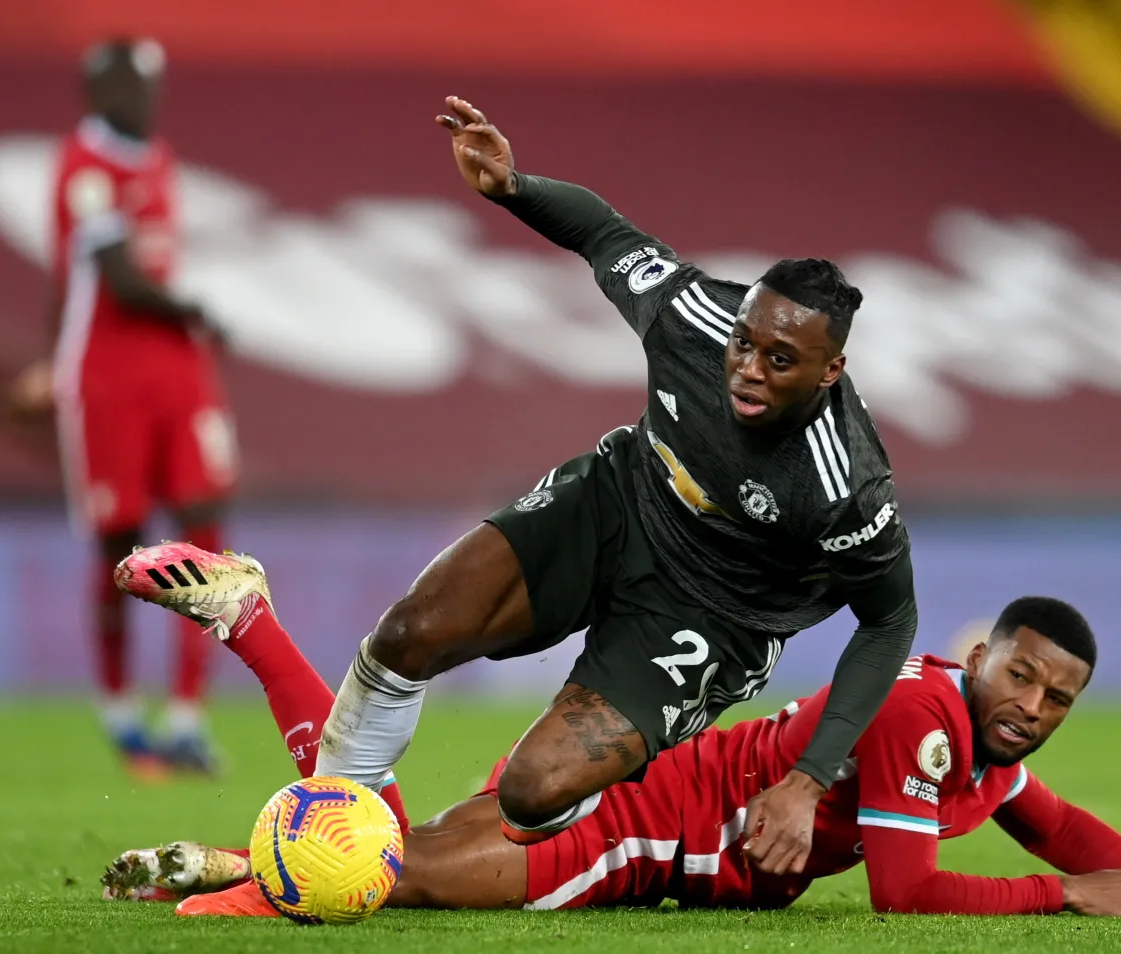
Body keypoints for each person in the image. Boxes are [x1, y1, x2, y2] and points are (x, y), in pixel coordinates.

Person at [115, 94, 917, 869]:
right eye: (745, 342)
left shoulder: (845, 484)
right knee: (408, 634)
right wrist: (512, 186)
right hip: (619, 506)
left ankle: (470, 839)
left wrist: (809, 779)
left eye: (780, 360)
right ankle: (333, 841)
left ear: (831, 370)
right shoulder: (695, 319)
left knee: (533, 793)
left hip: (714, 612)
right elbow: (604, 234)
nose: (747, 368)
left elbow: (889, 619)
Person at [101, 585, 1121, 919]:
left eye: (1057, 697)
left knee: (392, 850)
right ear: (981, 657)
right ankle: (252, 640)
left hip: (641, 793)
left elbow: (1055, 821)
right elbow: (905, 889)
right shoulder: (922, 720)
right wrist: (1062, 896)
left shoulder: (979, 744)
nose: (1031, 703)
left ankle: (228, 853)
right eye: (1019, 674)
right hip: (639, 827)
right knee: (393, 874)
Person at [9, 38, 238, 776]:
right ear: (103, 91)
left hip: (177, 369)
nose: (149, 100)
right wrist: (197, 310)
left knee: (205, 528)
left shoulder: (159, 158)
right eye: (138, 87)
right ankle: (120, 712)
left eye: (153, 86)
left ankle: (187, 717)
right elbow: (116, 279)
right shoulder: (83, 166)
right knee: (121, 545)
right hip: (108, 373)